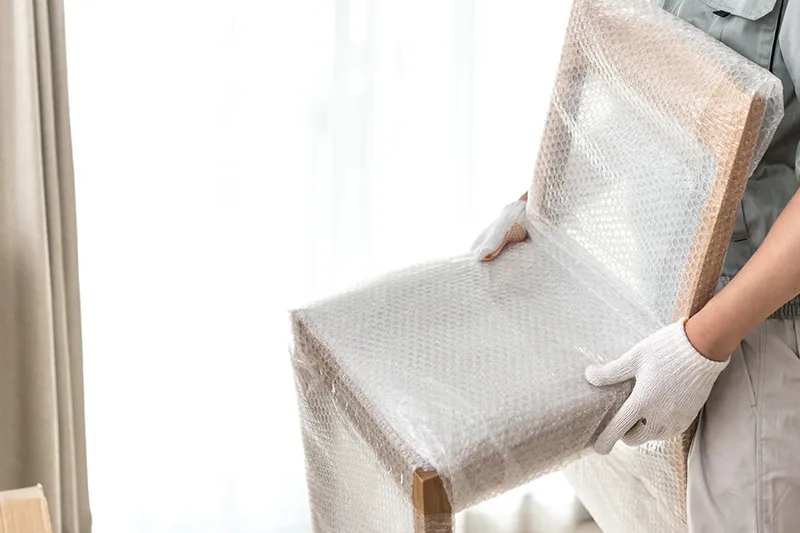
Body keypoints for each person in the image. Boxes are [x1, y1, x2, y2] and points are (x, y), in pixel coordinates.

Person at [473, 1, 799, 531]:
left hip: (756, 329)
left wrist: (699, 346)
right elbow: (653, 104)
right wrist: (544, 202)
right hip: (667, 305)